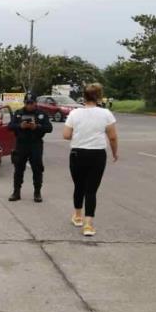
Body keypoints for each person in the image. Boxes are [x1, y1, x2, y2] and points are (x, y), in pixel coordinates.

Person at [63, 83, 118, 236]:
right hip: (97, 154)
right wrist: (115, 153)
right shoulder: (106, 113)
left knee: (79, 185)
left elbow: (66, 135)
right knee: (91, 190)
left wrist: (81, 136)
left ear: (84, 96)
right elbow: (112, 137)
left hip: (78, 153)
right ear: (99, 97)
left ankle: (78, 216)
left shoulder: (75, 113)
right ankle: (88, 225)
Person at [8, 93, 53, 202]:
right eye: (27, 103)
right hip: (21, 144)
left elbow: (49, 128)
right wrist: (20, 126)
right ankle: (16, 192)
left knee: (37, 169)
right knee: (18, 169)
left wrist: (37, 126)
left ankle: (37, 193)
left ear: (35, 103)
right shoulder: (19, 113)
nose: (29, 105)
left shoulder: (41, 114)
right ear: (24, 103)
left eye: (31, 103)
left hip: (35, 144)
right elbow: (10, 126)